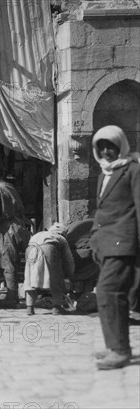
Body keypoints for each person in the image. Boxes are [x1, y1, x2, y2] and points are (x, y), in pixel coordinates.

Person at [89, 125, 140, 370]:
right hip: (106, 245)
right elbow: (101, 211)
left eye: (111, 146)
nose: (107, 151)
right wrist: (94, 238)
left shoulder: (132, 170)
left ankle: (120, 350)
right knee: (108, 295)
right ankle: (114, 346)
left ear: (121, 145)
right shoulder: (103, 175)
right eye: (102, 146)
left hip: (124, 243)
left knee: (110, 292)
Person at [0, 161, 30, 308]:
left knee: (8, 263)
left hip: (6, 230)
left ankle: (12, 296)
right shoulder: (11, 187)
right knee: (16, 263)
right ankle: (14, 293)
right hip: (19, 227)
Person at [23, 223, 75, 316]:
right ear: (62, 233)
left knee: (30, 278)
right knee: (56, 278)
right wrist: (71, 275)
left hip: (30, 249)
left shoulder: (38, 234)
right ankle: (57, 307)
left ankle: (29, 307)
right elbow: (69, 259)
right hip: (48, 248)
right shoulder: (60, 238)